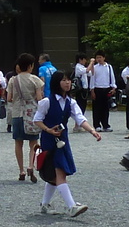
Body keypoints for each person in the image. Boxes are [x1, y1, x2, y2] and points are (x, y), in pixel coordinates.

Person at [34, 71, 100, 216]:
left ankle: (45, 204)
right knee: (60, 172)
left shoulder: (71, 102)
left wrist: (92, 131)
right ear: (57, 83)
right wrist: (48, 130)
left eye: (69, 80)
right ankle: (71, 206)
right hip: (49, 140)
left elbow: (80, 118)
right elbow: (37, 120)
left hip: (63, 140)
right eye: (64, 80)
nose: (67, 83)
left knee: (55, 174)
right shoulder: (47, 102)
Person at [6, 53, 44, 182]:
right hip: (32, 114)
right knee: (34, 143)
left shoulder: (13, 80)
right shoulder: (35, 80)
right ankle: (30, 166)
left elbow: (9, 98)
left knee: (18, 142)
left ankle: (21, 170)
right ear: (30, 66)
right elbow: (39, 98)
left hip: (17, 113)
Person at [87, 52, 117, 131]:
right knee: (97, 108)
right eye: (97, 58)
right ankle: (97, 125)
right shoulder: (95, 67)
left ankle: (105, 125)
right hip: (97, 89)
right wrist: (92, 90)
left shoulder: (109, 67)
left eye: (100, 57)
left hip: (106, 89)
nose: (99, 59)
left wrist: (113, 87)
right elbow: (92, 79)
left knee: (105, 108)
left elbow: (112, 77)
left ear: (104, 58)